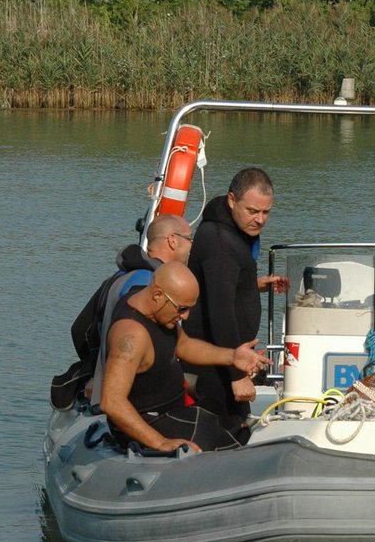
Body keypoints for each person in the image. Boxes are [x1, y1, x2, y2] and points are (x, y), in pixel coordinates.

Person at [100, 262, 269, 453]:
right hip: (151, 422)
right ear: (157, 295)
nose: (185, 317)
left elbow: (184, 345)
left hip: (174, 411)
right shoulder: (131, 336)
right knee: (211, 434)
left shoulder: (154, 306)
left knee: (226, 416)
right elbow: (111, 401)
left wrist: (232, 356)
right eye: (181, 309)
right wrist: (160, 442)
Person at [52, 214, 195, 410]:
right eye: (189, 239)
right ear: (172, 240)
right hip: (135, 402)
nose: (192, 247)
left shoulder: (121, 276)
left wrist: (95, 369)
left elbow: (80, 329)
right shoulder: (148, 286)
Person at [185, 167, 288, 430]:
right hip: (216, 364)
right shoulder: (221, 242)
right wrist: (237, 373)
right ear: (232, 200)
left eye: (266, 212)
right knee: (224, 432)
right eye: (252, 211)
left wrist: (251, 286)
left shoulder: (234, 230)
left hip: (230, 356)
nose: (260, 220)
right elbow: (220, 311)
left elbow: (220, 285)